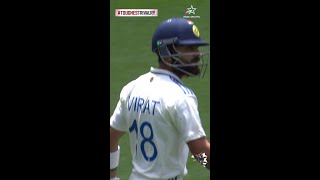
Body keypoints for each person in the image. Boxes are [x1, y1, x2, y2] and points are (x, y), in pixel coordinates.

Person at [110, 17, 211, 180]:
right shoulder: (181, 97)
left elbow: (111, 136)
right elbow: (200, 152)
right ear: (166, 52)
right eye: (189, 48)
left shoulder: (132, 87)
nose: (198, 54)